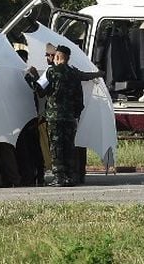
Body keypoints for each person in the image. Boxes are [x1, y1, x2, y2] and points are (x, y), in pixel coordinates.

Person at [26, 44, 102, 187]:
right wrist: (76, 114)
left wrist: (31, 77)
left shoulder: (51, 72)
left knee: (56, 147)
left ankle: (59, 177)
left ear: (58, 57)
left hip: (54, 117)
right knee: (69, 147)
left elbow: (40, 91)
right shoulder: (74, 73)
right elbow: (80, 95)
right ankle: (70, 177)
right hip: (70, 117)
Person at [14, 49, 45, 186]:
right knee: (33, 149)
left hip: (24, 118)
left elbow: (40, 91)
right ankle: (37, 175)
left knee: (26, 149)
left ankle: (30, 176)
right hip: (30, 117)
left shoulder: (22, 76)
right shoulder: (28, 75)